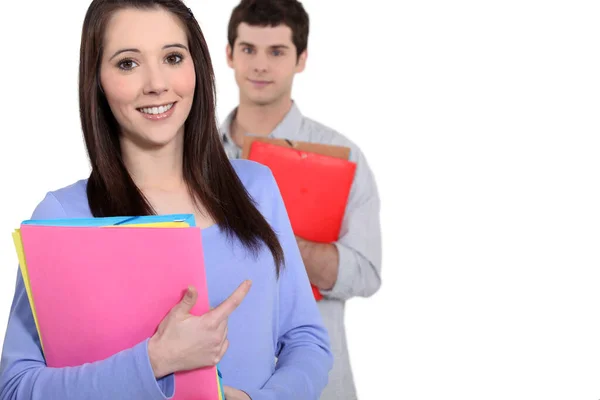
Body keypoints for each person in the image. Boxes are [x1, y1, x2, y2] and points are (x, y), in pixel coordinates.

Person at [0, 0, 333, 399]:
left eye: (173, 57)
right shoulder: (64, 215)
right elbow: (17, 387)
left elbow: (307, 341)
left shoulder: (256, 187)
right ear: (98, 80)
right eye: (128, 63)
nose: (157, 83)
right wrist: (156, 360)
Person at [220, 1, 382, 399]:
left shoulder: (341, 155)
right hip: (220, 378)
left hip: (318, 381)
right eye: (248, 49)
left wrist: (273, 237)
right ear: (229, 54)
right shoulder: (190, 153)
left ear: (302, 59)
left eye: (276, 51)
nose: (260, 65)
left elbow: (365, 272)